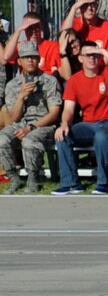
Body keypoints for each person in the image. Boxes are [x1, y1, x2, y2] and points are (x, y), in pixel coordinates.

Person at [55, 42, 108, 193]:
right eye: (88, 55)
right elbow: (69, 109)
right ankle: (71, 183)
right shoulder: (74, 80)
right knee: (62, 135)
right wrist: (64, 124)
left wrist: (104, 52)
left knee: (101, 135)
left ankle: (103, 183)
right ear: (80, 58)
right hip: (88, 124)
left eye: (95, 55)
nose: (92, 58)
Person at [2, 45, 62, 193]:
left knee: (30, 140)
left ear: (39, 59)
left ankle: (34, 178)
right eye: (26, 57)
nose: (30, 60)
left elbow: (54, 113)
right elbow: (14, 118)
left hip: (43, 125)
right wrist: (21, 97)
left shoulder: (50, 81)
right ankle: (14, 178)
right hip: (20, 124)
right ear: (20, 62)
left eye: (34, 57)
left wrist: (31, 127)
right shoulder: (12, 85)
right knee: (2, 139)